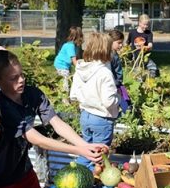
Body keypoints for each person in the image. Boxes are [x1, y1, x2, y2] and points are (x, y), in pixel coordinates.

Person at [0, 50, 107, 188]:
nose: (21, 80)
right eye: (13, 78)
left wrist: (84, 145)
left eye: (22, 74)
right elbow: (35, 138)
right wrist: (79, 150)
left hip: (23, 171)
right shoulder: (0, 105)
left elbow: (56, 122)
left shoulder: (32, 94)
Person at [70, 32, 120, 169]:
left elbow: (73, 94)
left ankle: (78, 173)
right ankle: (92, 179)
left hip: (85, 115)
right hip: (101, 118)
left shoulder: (81, 68)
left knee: (87, 150)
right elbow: (109, 101)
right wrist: (118, 98)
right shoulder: (105, 73)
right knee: (99, 155)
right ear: (106, 51)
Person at [127, 13, 159, 78]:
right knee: (137, 74)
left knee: (154, 68)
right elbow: (127, 43)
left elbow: (150, 44)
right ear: (139, 23)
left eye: (147, 25)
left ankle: (149, 77)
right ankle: (139, 80)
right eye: (144, 24)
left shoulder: (149, 33)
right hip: (135, 57)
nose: (146, 26)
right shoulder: (132, 32)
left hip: (144, 57)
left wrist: (147, 47)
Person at [53, 26, 84, 91]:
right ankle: (64, 99)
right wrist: (82, 69)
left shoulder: (72, 45)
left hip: (64, 65)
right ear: (78, 37)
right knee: (65, 84)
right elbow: (74, 61)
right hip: (61, 65)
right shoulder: (70, 46)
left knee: (66, 80)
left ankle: (63, 93)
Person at [108, 29, 129, 113]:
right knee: (124, 103)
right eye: (119, 43)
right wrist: (117, 83)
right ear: (111, 42)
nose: (121, 45)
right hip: (115, 83)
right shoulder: (111, 56)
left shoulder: (113, 54)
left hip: (117, 83)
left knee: (124, 99)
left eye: (122, 43)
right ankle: (126, 115)